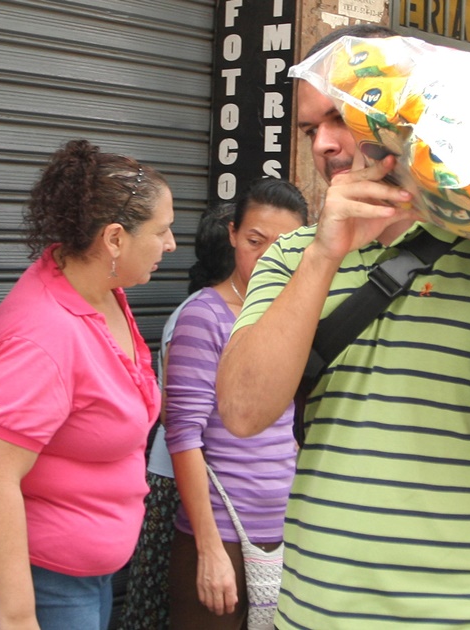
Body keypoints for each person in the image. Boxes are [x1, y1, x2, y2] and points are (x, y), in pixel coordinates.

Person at [215, 25, 470, 628]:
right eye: (308, 129)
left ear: (406, 113)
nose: (323, 144)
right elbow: (243, 413)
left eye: (340, 118)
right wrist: (324, 254)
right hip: (313, 611)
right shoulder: (290, 255)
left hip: (464, 615)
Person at [0, 139, 175, 630]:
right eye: (162, 230)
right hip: (39, 570)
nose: (171, 244)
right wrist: (19, 617)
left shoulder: (101, 292)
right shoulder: (41, 336)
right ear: (114, 239)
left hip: (82, 564)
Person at [167, 178, 308, 628]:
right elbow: (184, 436)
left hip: (286, 530)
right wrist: (208, 548)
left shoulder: (296, 316)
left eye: (284, 244)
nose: (268, 256)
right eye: (254, 240)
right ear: (232, 235)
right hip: (223, 531)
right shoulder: (203, 316)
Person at [120, 201, 236, 630]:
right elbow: (180, 422)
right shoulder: (195, 317)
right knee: (162, 601)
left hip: (206, 482)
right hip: (177, 480)